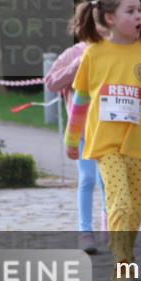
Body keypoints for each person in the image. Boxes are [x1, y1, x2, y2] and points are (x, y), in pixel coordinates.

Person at [63, 0, 141, 281]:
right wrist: (71, 138)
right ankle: (122, 268)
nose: (138, 16)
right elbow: (80, 100)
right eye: (129, 11)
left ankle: (127, 254)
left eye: (139, 10)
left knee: (135, 206)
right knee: (118, 201)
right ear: (108, 18)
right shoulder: (93, 54)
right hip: (104, 144)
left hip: (136, 143)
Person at [45, 35, 107, 254]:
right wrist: (76, 66)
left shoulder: (118, 48)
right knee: (88, 178)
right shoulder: (74, 52)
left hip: (110, 129)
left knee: (108, 181)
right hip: (82, 130)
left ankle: (109, 229)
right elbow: (52, 81)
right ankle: (85, 231)